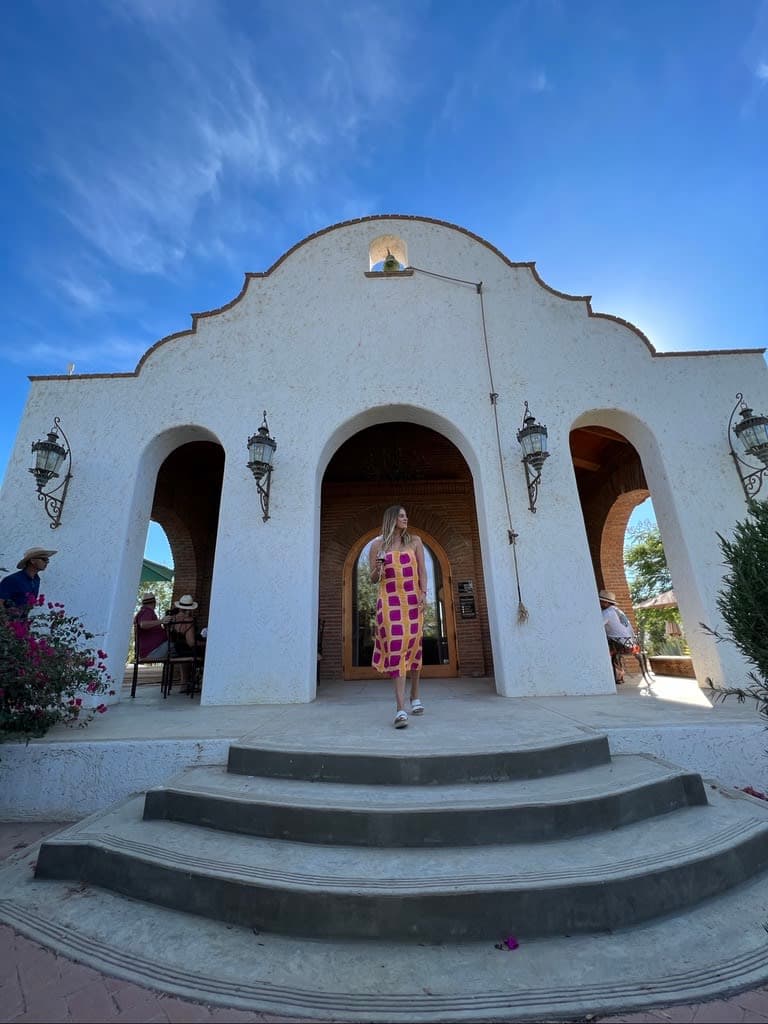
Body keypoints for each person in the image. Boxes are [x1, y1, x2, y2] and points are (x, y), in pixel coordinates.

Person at [370, 506, 427, 728]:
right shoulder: (377, 545)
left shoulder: (415, 542)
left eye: (406, 515)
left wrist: (423, 594)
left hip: (413, 600)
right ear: (392, 519)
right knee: (396, 648)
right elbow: (373, 579)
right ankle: (400, 709)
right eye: (401, 516)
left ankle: (415, 695)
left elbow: (422, 571)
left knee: (413, 647)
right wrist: (378, 568)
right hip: (389, 602)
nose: (406, 518)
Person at [0, 547, 56, 616]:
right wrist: (6, 622)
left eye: (47, 560)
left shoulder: (36, 580)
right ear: (32, 561)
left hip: (23, 623)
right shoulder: (12, 580)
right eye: (44, 559)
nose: (47, 562)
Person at [599, 589, 637, 685]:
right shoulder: (617, 611)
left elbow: (597, 626)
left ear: (606, 602)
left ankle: (616, 674)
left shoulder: (607, 612)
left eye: (600, 601)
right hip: (631, 643)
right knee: (609, 644)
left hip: (622, 644)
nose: (599, 603)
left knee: (602, 649)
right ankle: (618, 673)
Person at [134, 593, 170, 661]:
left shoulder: (142, 612)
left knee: (177, 647)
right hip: (152, 652)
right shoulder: (147, 611)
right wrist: (162, 621)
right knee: (180, 647)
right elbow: (143, 624)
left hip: (149, 651)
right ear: (154, 603)